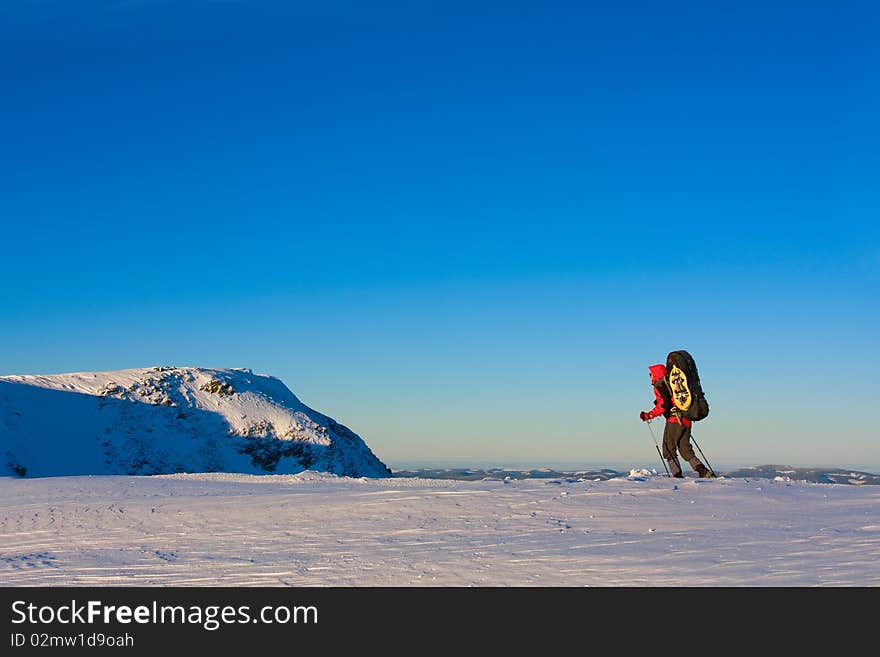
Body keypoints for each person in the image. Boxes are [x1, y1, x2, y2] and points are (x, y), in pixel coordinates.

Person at [640, 363, 714, 478]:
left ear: (656, 374)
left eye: (650, 374)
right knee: (685, 448)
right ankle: (703, 471)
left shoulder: (660, 385)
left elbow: (663, 405)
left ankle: (677, 476)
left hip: (674, 420)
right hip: (687, 418)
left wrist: (648, 415)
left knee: (668, 448)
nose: (650, 376)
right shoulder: (673, 383)